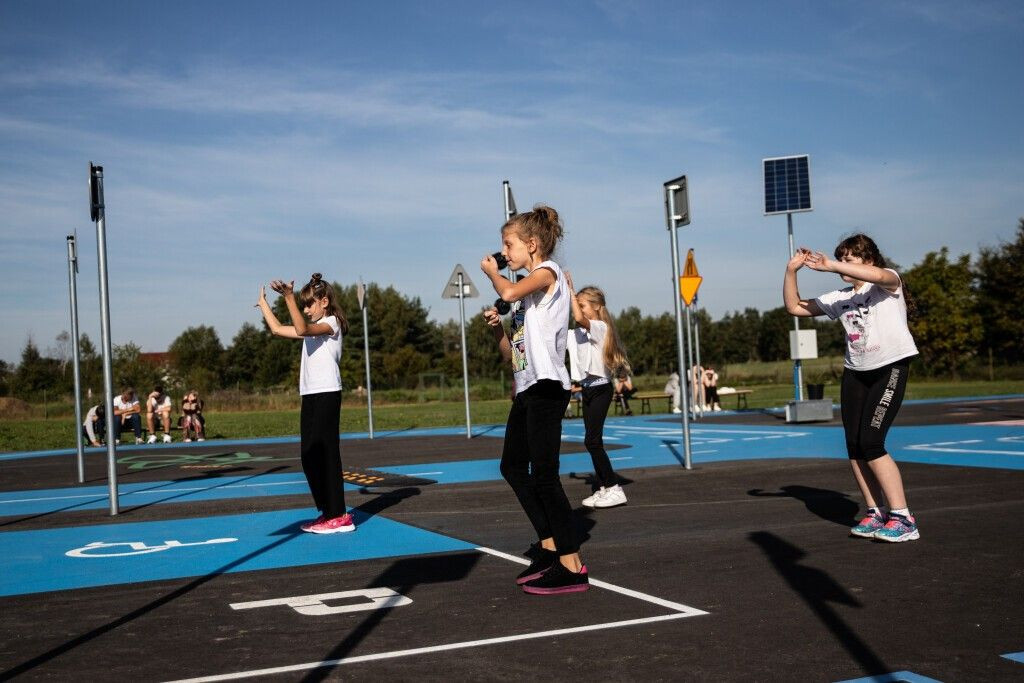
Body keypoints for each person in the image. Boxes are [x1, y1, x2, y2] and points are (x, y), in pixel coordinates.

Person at [784, 234, 920, 542]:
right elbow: (794, 307)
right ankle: (876, 512)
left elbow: (880, 274)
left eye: (850, 259)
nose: (843, 264)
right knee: (855, 446)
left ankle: (903, 517)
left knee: (872, 443)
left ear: (868, 260)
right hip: (856, 372)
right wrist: (791, 271)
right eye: (840, 258)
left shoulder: (888, 284)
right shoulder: (839, 297)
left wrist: (831, 265)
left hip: (890, 367)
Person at [481, 205, 588, 594]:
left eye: (508, 245)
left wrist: (492, 271)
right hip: (527, 388)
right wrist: (497, 331)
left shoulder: (549, 273)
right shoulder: (527, 298)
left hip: (547, 388)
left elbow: (506, 288)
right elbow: (513, 356)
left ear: (532, 244)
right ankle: (548, 545)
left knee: (545, 475)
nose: (504, 253)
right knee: (512, 467)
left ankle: (572, 563)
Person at [259, 273, 354, 535]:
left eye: (309, 304)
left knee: (327, 453)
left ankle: (340, 515)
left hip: (327, 393)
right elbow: (278, 329)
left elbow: (301, 327)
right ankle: (328, 511)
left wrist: (288, 297)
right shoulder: (311, 331)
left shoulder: (331, 323)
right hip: (310, 395)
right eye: (303, 304)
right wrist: (265, 304)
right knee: (308, 455)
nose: (305, 309)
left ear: (324, 302)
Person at [566, 276, 630, 509]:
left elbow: (578, 317)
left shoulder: (600, 328)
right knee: (593, 441)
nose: (579, 309)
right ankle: (603, 487)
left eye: (583, 304)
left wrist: (572, 293)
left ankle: (614, 488)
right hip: (587, 390)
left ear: (595, 306)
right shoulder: (579, 334)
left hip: (602, 388)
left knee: (592, 440)